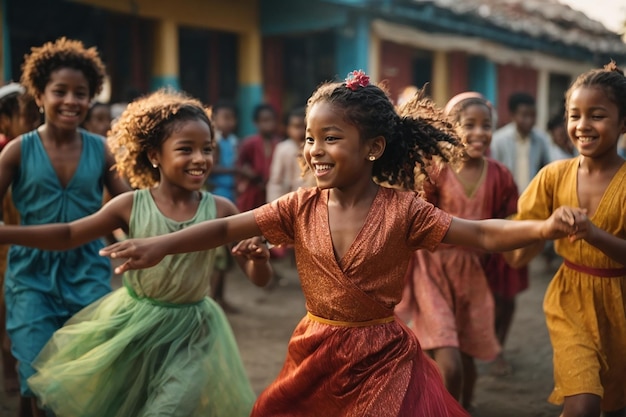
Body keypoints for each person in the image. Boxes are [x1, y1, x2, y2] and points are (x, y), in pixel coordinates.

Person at [100, 70, 582, 417]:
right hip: (314, 350)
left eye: (330, 138)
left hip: (383, 357)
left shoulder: (404, 209)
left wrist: (541, 228)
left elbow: (479, 233)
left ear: (372, 147)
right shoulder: (298, 206)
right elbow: (228, 228)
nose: (314, 150)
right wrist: (162, 245)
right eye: (310, 138)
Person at [0, 90, 272, 416]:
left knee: (168, 409)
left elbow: (258, 280)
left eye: (207, 149)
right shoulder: (130, 205)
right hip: (134, 329)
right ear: (155, 155)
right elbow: (70, 233)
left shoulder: (222, 209)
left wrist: (260, 261)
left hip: (192, 333)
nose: (200, 158)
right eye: (186, 149)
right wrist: (5, 233)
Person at [0, 37, 131, 417]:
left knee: (78, 375)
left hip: (87, 272)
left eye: (82, 93)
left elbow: (130, 209)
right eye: (60, 91)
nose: (71, 101)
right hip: (29, 276)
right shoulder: (17, 151)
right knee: (36, 371)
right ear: (40, 95)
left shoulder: (102, 150)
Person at [507, 62, 626, 417]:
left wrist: (593, 234)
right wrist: (542, 229)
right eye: (574, 115)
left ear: (623, 123)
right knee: (583, 401)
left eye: (597, 115)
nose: (582, 125)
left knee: (616, 404)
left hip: (620, 302)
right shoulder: (552, 176)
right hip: (569, 299)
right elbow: (518, 245)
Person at [395, 92, 521, 410]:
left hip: (474, 275)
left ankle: (463, 408)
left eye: (486, 125)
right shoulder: (437, 170)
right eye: (469, 125)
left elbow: (512, 219)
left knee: (465, 359)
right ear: (451, 128)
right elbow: (417, 217)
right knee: (448, 360)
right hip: (432, 270)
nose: (479, 133)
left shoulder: (501, 176)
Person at [0, 83, 40, 409]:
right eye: (24, 116)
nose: (32, 122)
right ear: (4, 120)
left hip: (31, 245)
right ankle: (8, 368)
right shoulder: (8, 153)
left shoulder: (40, 152)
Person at [207, 100, 241, 312]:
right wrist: (236, 172)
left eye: (231, 118)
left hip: (230, 195)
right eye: (224, 117)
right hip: (218, 195)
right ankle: (213, 300)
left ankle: (220, 297)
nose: (228, 122)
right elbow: (213, 168)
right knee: (218, 254)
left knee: (227, 253)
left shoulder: (233, 141)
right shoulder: (217, 142)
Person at [491, 92, 551, 192]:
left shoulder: (541, 140)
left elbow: (546, 168)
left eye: (532, 115)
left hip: (532, 199)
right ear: (513, 115)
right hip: (507, 199)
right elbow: (493, 173)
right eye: (524, 115)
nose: (529, 120)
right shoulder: (499, 140)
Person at [235, 103, 281, 212]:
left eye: (271, 120)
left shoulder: (279, 144)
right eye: (264, 121)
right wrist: (250, 174)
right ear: (256, 123)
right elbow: (240, 166)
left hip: (272, 192)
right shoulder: (249, 143)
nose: (268, 124)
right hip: (252, 192)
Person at [266, 106, 311, 202]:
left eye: (304, 127)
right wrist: (274, 205)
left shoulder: (313, 148)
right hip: (286, 200)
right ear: (288, 128)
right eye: (296, 127)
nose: (301, 131)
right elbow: (275, 181)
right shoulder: (282, 149)